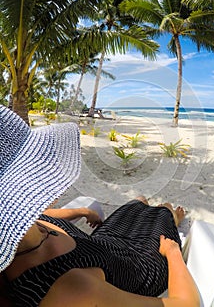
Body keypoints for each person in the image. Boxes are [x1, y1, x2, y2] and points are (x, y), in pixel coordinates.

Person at [0, 105, 200, 307]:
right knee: (163, 211)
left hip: (104, 244)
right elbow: (185, 304)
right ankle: (172, 218)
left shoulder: (19, 228)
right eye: (35, 167)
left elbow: (46, 214)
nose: (49, 171)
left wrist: (83, 211)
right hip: (139, 268)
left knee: (138, 201)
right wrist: (173, 252)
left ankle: (154, 210)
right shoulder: (71, 287)